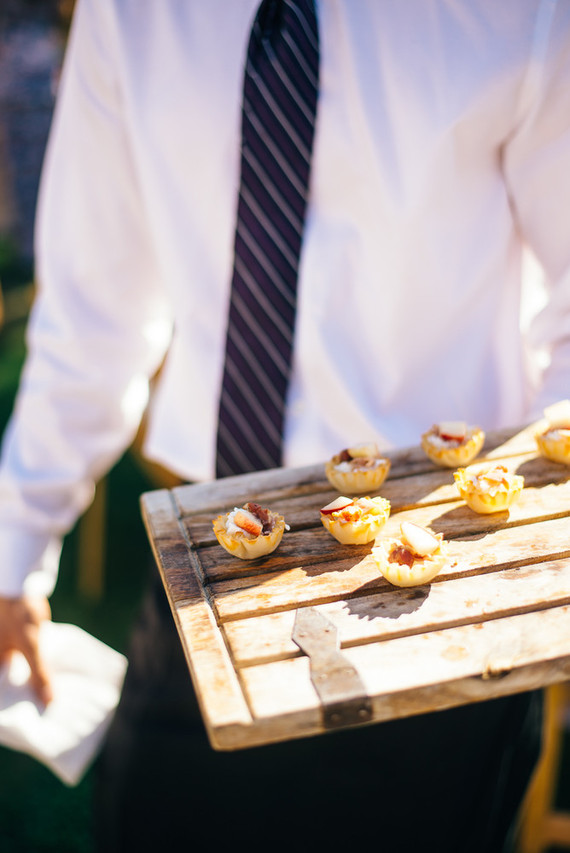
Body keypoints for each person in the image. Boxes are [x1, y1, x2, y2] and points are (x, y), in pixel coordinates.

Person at [0, 0, 569, 850]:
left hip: (442, 588)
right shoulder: (135, 12)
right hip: (210, 563)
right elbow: (94, 310)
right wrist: (12, 551)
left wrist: (525, 550)